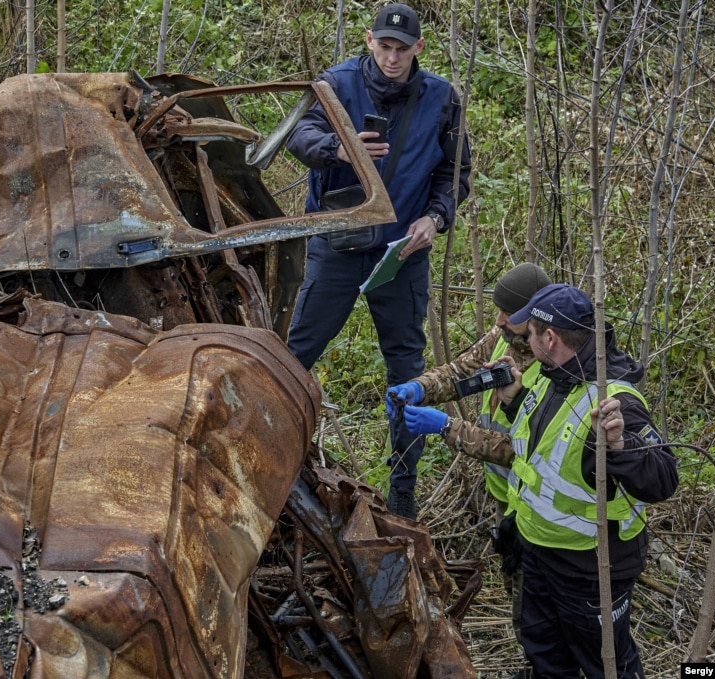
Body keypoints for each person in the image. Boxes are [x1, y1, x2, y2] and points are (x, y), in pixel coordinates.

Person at [285, 2, 472, 520]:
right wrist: (338, 150)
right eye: (384, 47)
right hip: (339, 244)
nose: (392, 58)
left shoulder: (442, 99)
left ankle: (403, 495)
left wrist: (435, 219)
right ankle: (274, 464)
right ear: (369, 41)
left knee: (406, 374)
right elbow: (296, 136)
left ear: (419, 49)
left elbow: (455, 174)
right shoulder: (335, 84)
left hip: (402, 255)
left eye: (402, 49)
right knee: (295, 356)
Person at [490, 283, 677, 678]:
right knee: (545, 657)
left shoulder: (615, 401)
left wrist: (620, 445)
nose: (528, 342)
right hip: (537, 553)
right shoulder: (549, 374)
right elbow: (545, 444)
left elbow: (663, 480)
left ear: (550, 337)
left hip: (589, 570)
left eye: (532, 335)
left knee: (608, 666)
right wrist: (513, 400)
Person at [385, 262, 551, 524]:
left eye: (508, 314)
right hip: (505, 493)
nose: (498, 321)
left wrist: (446, 427)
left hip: (540, 507)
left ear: (534, 316)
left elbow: (519, 450)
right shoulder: (504, 336)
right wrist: (418, 387)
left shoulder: (556, 366)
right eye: (499, 311)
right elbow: (459, 372)